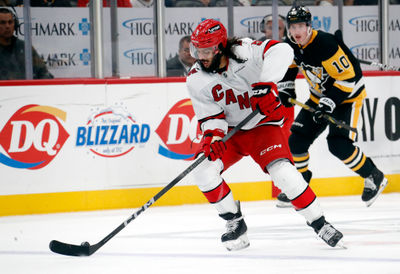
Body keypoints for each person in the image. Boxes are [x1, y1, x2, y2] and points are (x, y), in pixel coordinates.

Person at [186, 19, 343, 251]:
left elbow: (283, 50)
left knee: (284, 175)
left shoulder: (244, 51)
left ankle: (320, 223)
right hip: (231, 132)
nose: (201, 56)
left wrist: (265, 83)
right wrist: (213, 137)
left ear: (220, 47)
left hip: (263, 126)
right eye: (197, 50)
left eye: (206, 50)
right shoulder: (196, 77)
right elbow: (210, 117)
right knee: (202, 170)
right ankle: (234, 223)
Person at [276, 5, 388, 207]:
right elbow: (289, 66)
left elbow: (348, 78)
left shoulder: (325, 44)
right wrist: (286, 89)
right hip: (319, 97)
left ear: (309, 26)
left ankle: (374, 175)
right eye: (292, 27)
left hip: (347, 97)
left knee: (338, 144)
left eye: (301, 26)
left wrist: (328, 104)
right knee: (297, 141)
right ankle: (300, 186)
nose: (296, 31)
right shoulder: (290, 44)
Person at [0, 8, 53, 80]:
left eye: (10, 22)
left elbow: (44, 73)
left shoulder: (24, 48)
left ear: (15, 25)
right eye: (3, 23)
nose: (7, 26)